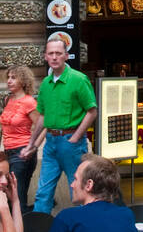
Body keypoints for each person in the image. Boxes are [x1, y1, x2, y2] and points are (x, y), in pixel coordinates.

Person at [24, 39, 98, 215]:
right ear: (45, 57)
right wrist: (32, 144)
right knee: (43, 193)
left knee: (79, 192)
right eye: (51, 53)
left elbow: (92, 111)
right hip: (50, 142)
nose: (54, 57)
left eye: (58, 53)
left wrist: (75, 137)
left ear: (66, 56)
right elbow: (42, 116)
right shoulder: (46, 84)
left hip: (70, 141)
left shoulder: (78, 79)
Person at [42, 155, 138, 232]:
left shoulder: (67, 218)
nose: (72, 185)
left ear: (89, 184)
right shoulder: (126, 215)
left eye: (75, 179)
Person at [0, 65, 42, 209]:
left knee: (17, 197)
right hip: (8, 152)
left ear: (23, 81)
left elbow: (42, 126)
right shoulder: (7, 100)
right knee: (11, 195)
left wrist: (33, 147)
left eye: (13, 78)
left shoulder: (29, 102)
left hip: (22, 153)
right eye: (8, 77)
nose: (9, 81)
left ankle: (22, 229)